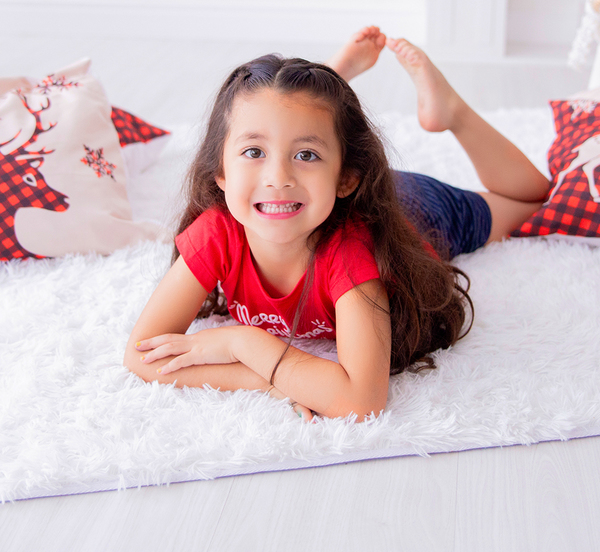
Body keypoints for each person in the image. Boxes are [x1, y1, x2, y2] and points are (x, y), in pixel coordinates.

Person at [123, 27, 549, 421]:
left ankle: (451, 112)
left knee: (532, 200)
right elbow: (141, 354)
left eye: (305, 155)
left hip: (416, 208)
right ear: (220, 172)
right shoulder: (218, 231)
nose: (276, 178)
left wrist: (243, 342)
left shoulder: (350, 253)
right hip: (317, 194)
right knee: (296, 120)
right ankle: (326, 103)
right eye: (254, 152)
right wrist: (267, 383)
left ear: (347, 179)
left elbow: (360, 401)